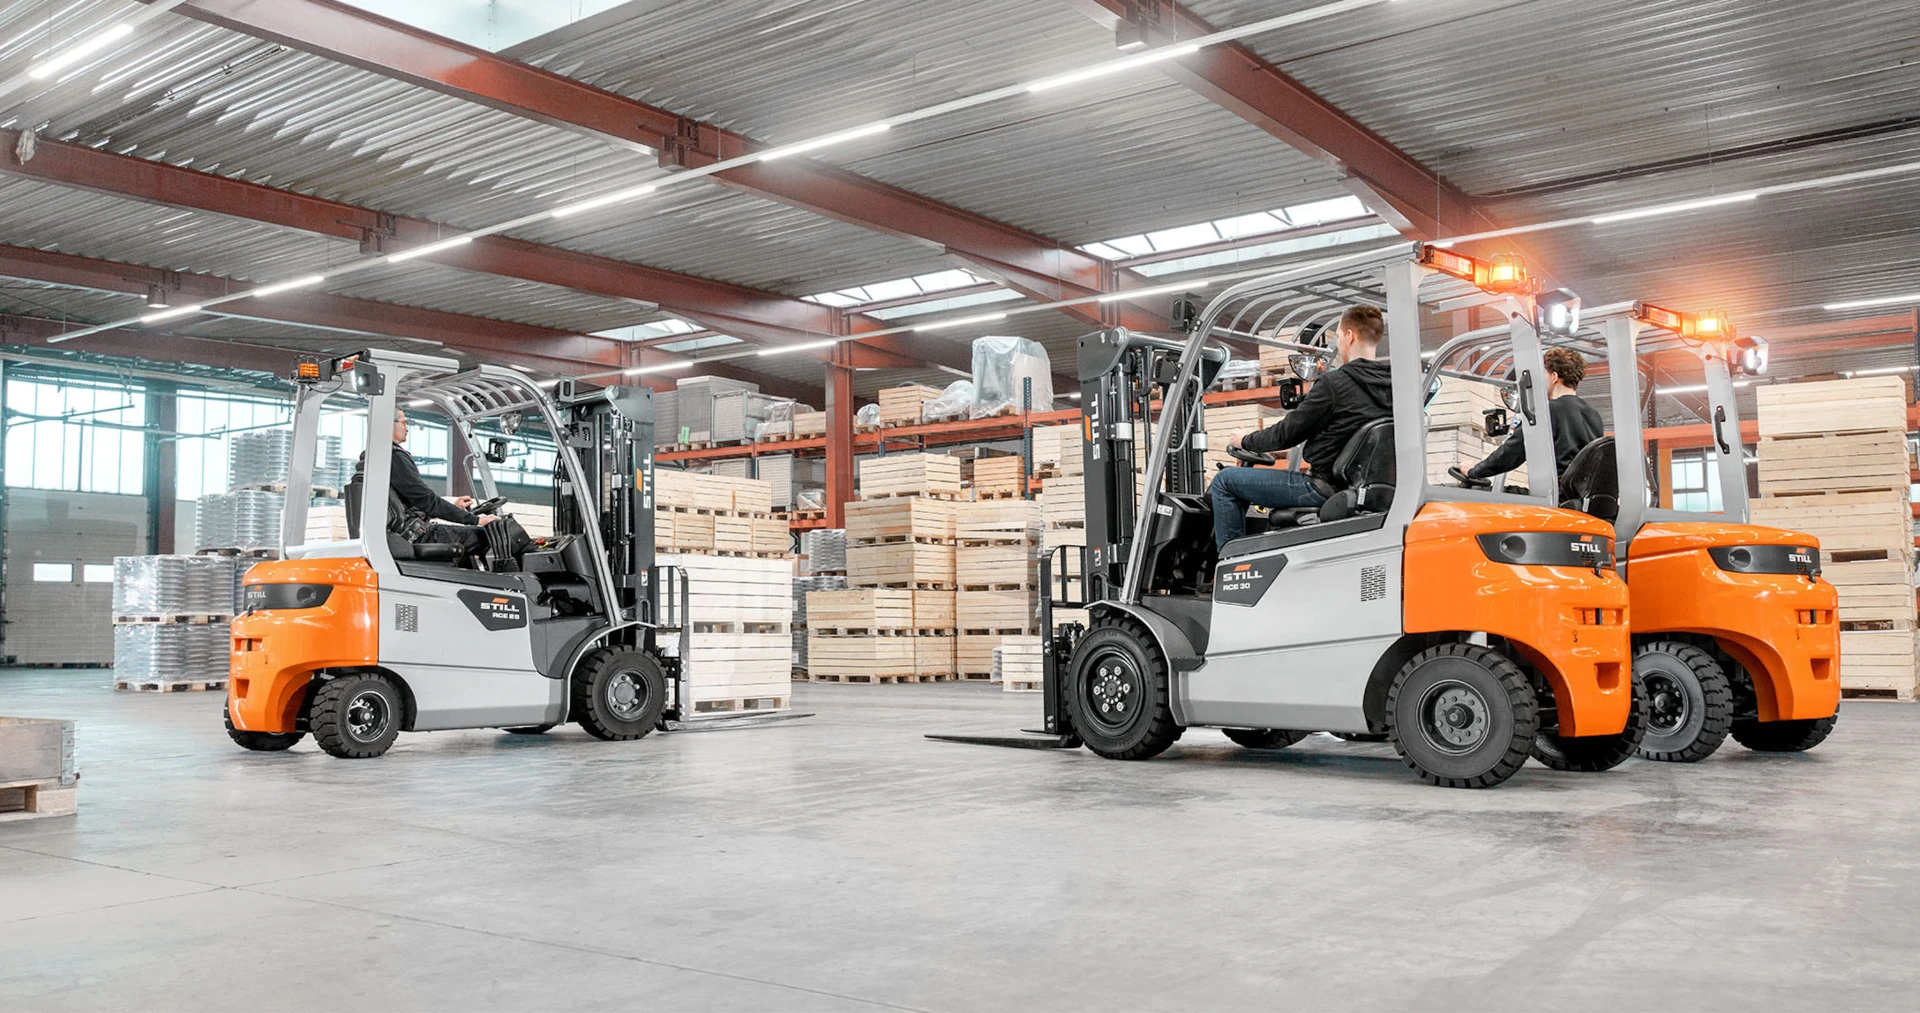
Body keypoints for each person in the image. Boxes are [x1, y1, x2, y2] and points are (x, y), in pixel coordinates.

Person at [1214, 304, 1394, 550]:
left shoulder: (1335, 383)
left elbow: (1286, 434)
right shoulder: (1394, 386)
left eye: (1339, 336)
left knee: (1225, 481)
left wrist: (1244, 440)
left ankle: (1230, 564)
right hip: (1366, 490)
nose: (1340, 342)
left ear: (1349, 335)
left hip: (1322, 487)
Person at [1451, 347, 1603, 487]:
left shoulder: (1549, 410)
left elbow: (1512, 452)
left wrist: (1474, 471)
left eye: (1544, 374)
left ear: (1554, 376)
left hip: (1555, 497)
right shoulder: (1594, 415)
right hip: (1578, 497)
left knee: (1479, 493)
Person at [358, 408, 496, 558]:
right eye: (404, 423)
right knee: (488, 536)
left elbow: (410, 503)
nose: (407, 428)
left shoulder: (374, 459)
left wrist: (453, 507)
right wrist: (476, 519)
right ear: (388, 424)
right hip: (415, 535)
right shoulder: (395, 458)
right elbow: (426, 499)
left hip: (404, 533)